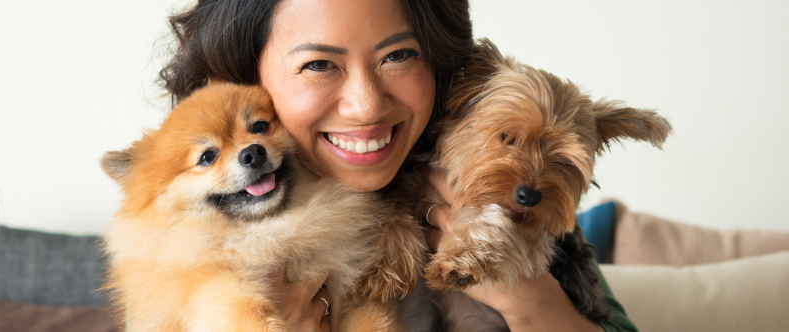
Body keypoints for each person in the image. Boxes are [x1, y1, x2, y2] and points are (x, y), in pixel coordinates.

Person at [158, 0, 638, 331]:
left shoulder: (489, 192)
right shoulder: (190, 233)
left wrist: (529, 300)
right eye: (319, 64)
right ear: (246, 73)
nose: (367, 106)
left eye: (400, 55)